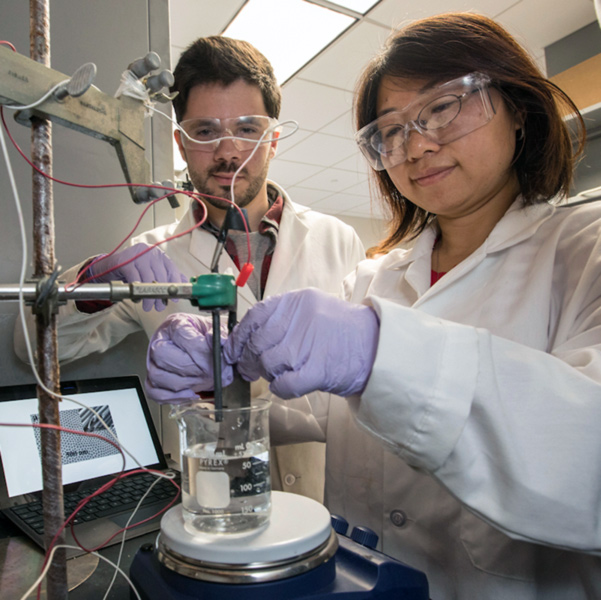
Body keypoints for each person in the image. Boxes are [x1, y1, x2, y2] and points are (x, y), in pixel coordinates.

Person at [145, 12, 601, 599]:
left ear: (517, 108)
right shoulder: (375, 277)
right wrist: (229, 374)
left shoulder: (584, 253)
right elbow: (321, 416)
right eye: (391, 130)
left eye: (443, 107)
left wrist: (379, 352)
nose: (417, 144)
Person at [13, 36, 365, 502]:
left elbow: (364, 381)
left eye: (246, 128)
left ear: (273, 140)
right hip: (212, 503)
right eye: (204, 131)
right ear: (181, 143)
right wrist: (96, 282)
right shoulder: (149, 255)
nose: (227, 152)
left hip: (329, 503)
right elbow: (30, 347)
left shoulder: (338, 240)